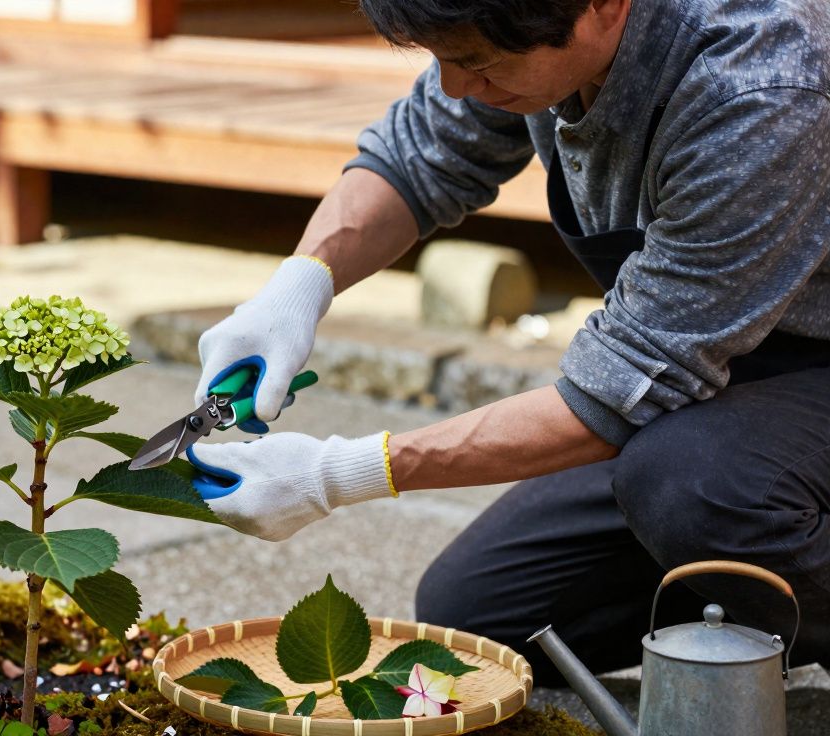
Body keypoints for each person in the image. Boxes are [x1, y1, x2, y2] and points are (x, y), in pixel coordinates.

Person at [187, 0, 830, 682]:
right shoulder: (521, 26)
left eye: (477, 64)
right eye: (443, 60)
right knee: (480, 617)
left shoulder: (763, 85)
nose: (457, 87)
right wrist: (297, 288)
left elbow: (615, 391)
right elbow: (419, 155)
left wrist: (336, 475)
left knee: (691, 483)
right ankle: (752, 589)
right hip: (720, 374)